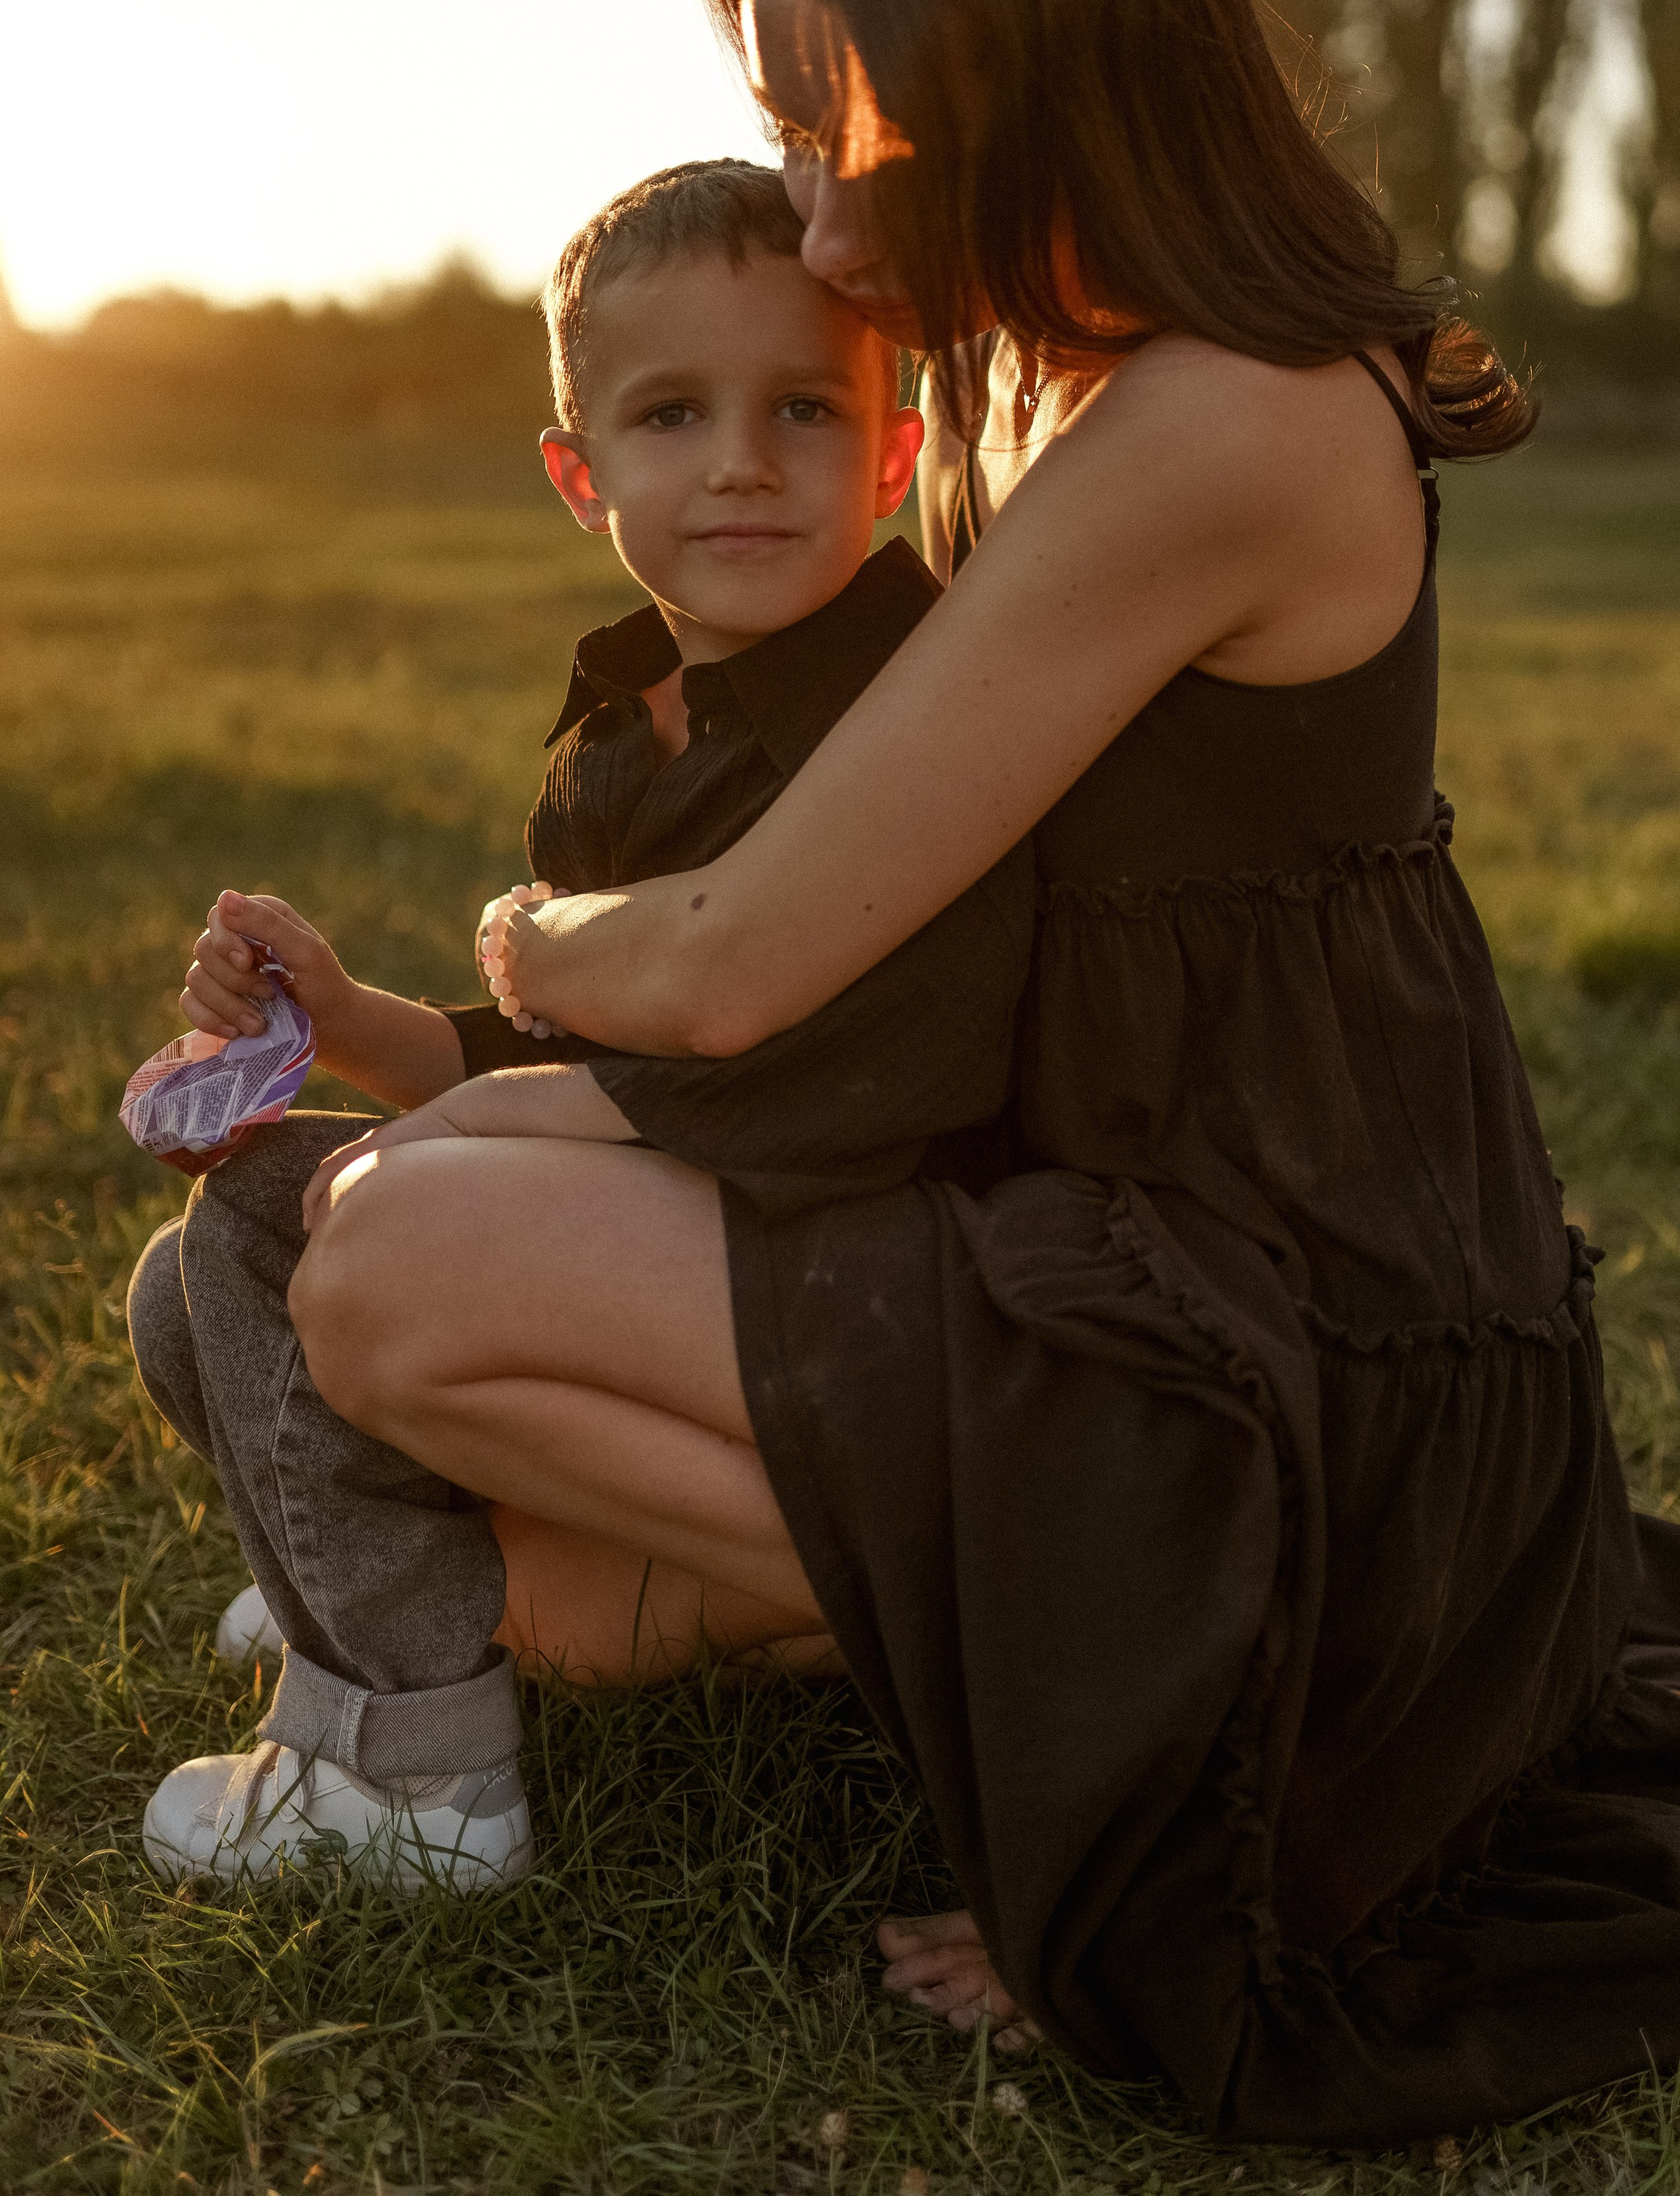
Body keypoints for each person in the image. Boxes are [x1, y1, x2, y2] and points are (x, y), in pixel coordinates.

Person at [169, 0, 1680, 2141]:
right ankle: (1037, 1673)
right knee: (514, 1565)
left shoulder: (1230, 414)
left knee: (386, 1270)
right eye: (790, 138)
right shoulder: (1008, 371)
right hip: (1075, 1226)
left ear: (1063, 84)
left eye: (869, 150)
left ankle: (1215, 1726)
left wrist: (527, 937)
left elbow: (733, 963)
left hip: (1276, 1330)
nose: (828, 232)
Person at [127, 153, 1033, 1887]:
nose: (742, 461)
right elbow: (572, 1057)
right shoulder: (627, 721)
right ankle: (361, 1578)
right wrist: (349, 1021)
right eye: (672, 414)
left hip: (863, 1271)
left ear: (893, 451)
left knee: (258, 1220)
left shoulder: (908, 707)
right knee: (187, 1290)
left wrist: (479, 1135)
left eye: (802, 409)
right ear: (579, 472)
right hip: (666, 1240)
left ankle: (413, 1774)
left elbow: (890, 1072)